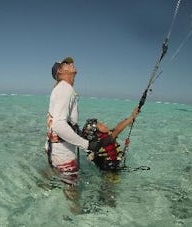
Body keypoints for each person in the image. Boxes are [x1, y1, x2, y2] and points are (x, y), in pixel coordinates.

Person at [45, 56, 100, 186]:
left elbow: (60, 122)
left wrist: (78, 134)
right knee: (72, 196)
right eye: (66, 63)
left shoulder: (60, 88)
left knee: (50, 183)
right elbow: (58, 125)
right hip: (63, 154)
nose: (71, 63)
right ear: (60, 72)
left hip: (54, 148)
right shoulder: (65, 89)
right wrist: (87, 145)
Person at [81, 106, 140, 171]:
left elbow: (117, 126)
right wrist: (132, 116)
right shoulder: (103, 141)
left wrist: (128, 119)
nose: (104, 125)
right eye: (101, 125)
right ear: (97, 133)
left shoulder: (104, 138)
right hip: (109, 172)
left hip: (112, 167)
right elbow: (118, 130)